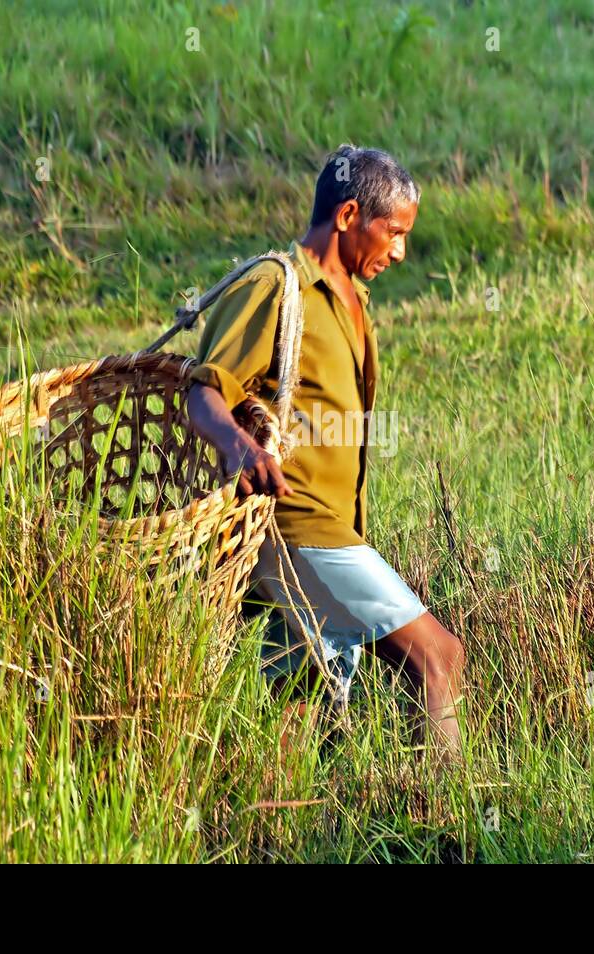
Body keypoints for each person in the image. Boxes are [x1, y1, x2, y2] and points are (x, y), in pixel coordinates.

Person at [185, 144, 465, 762]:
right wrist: (236, 446)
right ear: (347, 216)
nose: (400, 252)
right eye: (393, 233)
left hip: (333, 527)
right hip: (296, 525)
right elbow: (203, 392)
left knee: (301, 705)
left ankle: (277, 834)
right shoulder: (274, 287)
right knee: (438, 658)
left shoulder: (351, 301)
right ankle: (448, 829)